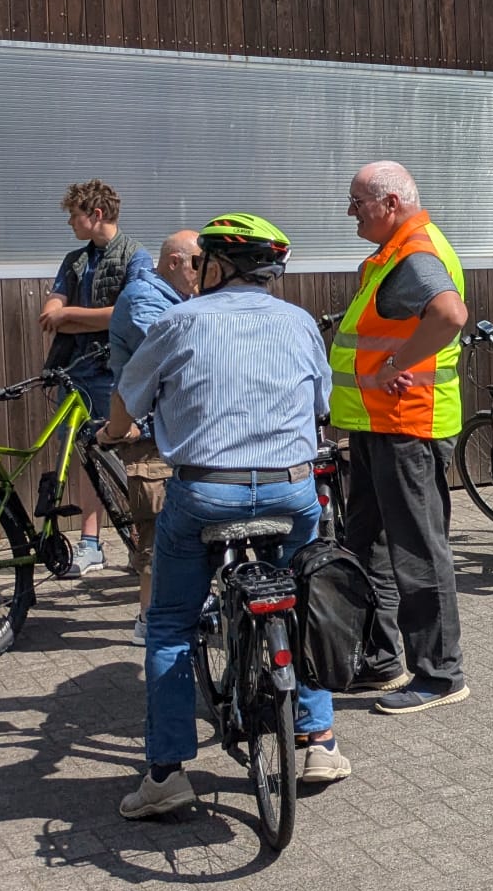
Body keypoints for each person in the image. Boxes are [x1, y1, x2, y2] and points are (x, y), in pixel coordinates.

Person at [108, 213, 348, 819]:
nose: (195, 272)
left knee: (170, 623)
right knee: (306, 600)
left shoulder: (180, 321)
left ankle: (166, 776)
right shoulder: (299, 323)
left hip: (206, 494)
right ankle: (319, 741)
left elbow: (127, 400)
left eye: (200, 262)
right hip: (291, 491)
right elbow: (321, 403)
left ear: (216, 266)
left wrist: (115, 431)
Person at [332, 161, 472, 714]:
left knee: (416, 551)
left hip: (406, 426)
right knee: (368, 544)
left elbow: (449, 314)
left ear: (390, 203)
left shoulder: (414, 252)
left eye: (357, 202)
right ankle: (382, 660)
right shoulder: (399, 250)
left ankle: (440, 675)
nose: (350, 212)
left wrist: (397, 363)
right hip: (380, 425)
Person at [41, 180, 149, 575]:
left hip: (113, 370)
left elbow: (125, 313)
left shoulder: (135, 256)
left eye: (74, 215)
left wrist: (69, 315)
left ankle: (140, 539)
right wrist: (68, 315)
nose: (70, 222)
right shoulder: (74, 260)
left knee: (124, 454)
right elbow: (50, 311)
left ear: (96, 214)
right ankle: (90, 543)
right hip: (74, 371)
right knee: (84, 455)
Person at [106, 230, 203, 638]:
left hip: (181, 433)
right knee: (158, 532)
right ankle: (150, 622)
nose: (202, 271)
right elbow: (175, 358)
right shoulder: (143, 299)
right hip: (149, 438)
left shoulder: (180, 298)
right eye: (197, 263)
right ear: (174, 262)